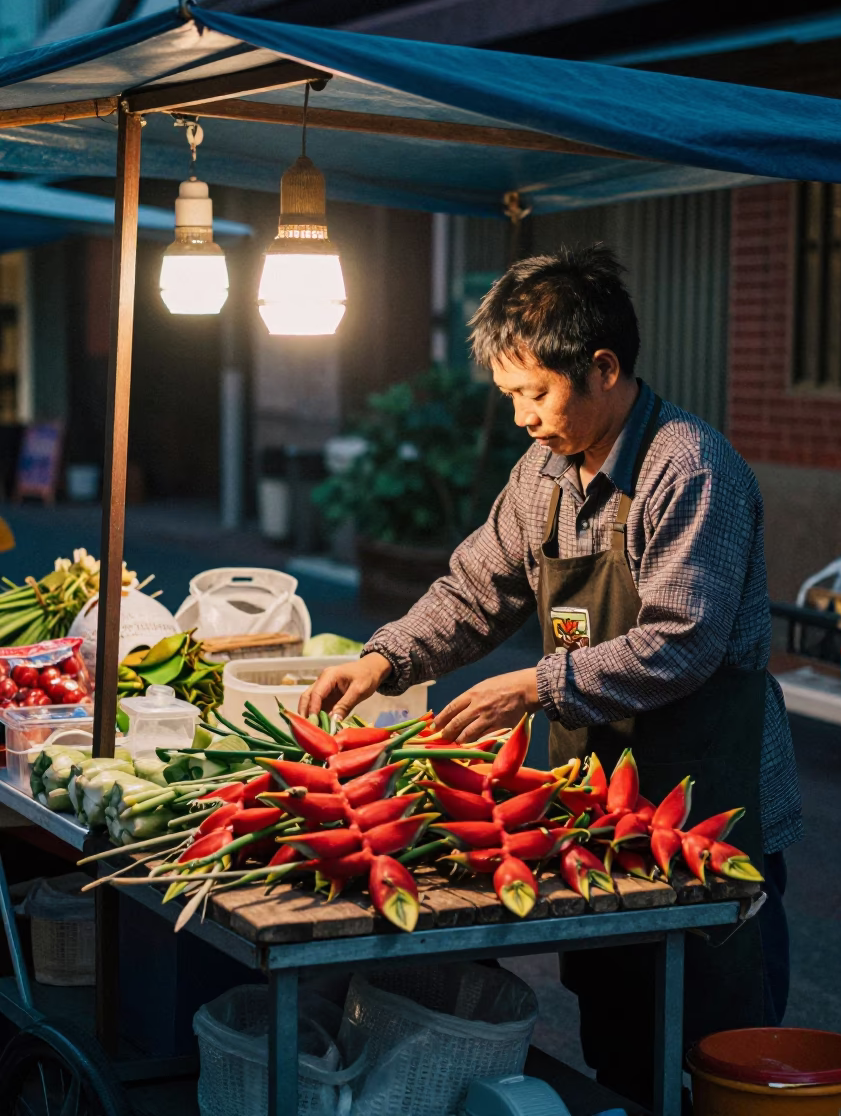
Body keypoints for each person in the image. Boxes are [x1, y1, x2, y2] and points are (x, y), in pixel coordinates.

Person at [300, 246, 801, 1107]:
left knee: (719, 1050)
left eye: (536, 393)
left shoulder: (689, 469)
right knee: (621, 1035)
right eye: (510, 397)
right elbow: (472, 589)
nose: (524, 417)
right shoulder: (541, 476)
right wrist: (384, 659)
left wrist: (535, 686)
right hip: (602, 806)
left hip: (711, 804)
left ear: (604, 368)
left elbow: (682, 642)